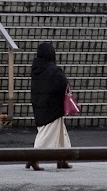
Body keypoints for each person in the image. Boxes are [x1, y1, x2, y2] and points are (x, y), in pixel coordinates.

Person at [27, 42, 72, 171]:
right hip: (52, 107)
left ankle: (62, 158)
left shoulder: (36, 69)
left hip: (39, 104)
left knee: (60, 134)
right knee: (47, 134)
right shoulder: (53, 69)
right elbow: (63, 84)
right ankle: (33, 157)